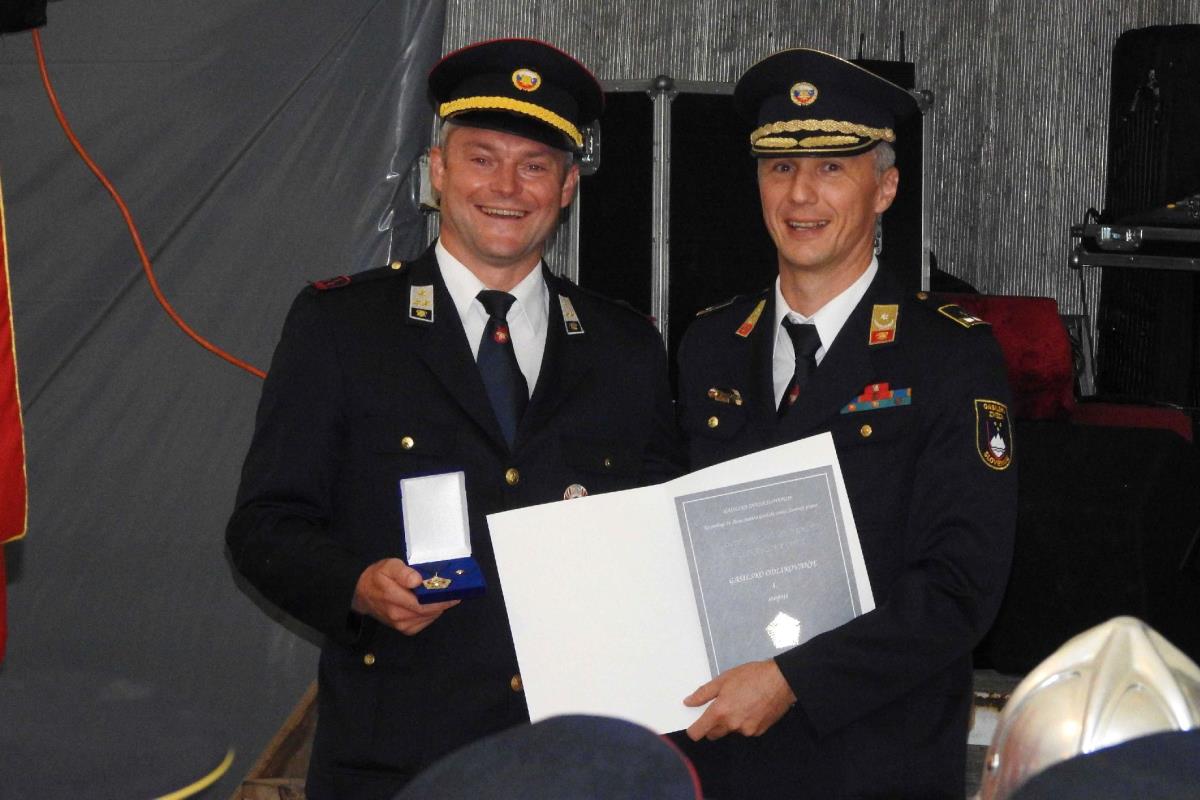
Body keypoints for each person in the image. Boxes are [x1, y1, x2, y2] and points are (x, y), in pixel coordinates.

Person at [226, 38, 681, 799]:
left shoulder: (625, 347)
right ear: (438, 171)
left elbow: (662, 538)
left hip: (573, 761)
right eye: (481, 159)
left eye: (534, 166)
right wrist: (357, 585)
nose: (506, 186)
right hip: (399, 760)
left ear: (568, 186)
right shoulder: (343, 326)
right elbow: (265, 524)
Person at [672, 47, 1018, 799]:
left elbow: (960, 585)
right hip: (724, 755)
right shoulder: (709, 344)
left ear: (885, 187)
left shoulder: (949, 354)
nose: (801, 195)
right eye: (780, 168)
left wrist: (795, 680)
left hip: (875, 758)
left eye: (832, 167)